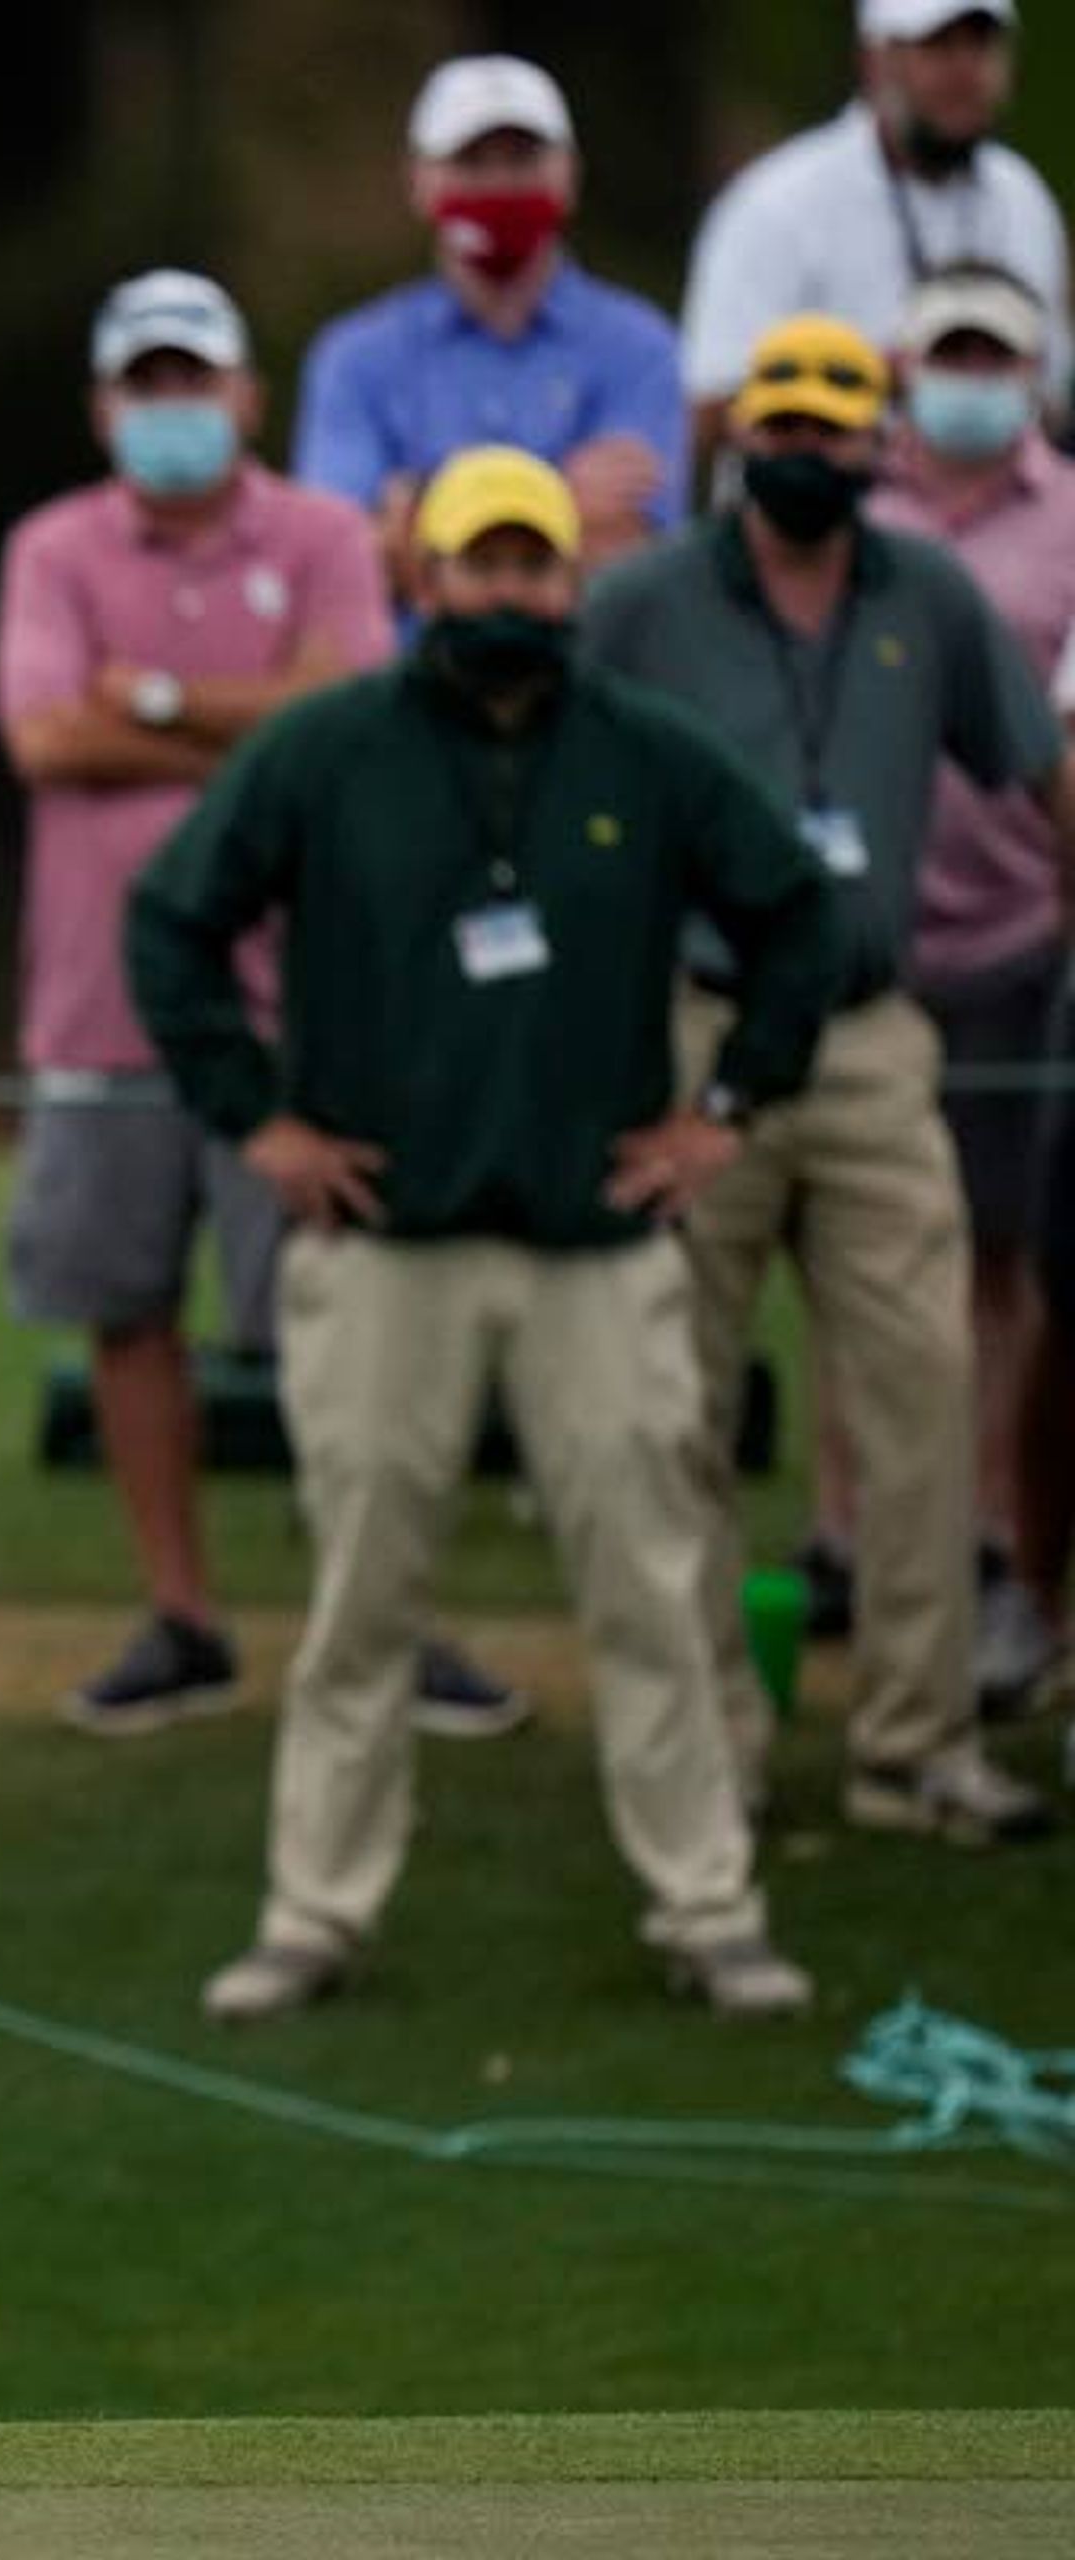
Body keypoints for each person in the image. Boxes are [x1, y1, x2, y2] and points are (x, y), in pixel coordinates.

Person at [126, 447, 839, 2023]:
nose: (509, 594)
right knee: (362, 1602)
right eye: (480, 566)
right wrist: (260, 1121)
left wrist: (730, 1104)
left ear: (571, 582)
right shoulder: (326, 749)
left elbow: (802, 914)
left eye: (535, 568)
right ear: (424, 578)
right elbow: (172, 918)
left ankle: (708, 1908)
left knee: (655, 1594)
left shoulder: (650, 753)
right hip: (386, 1247)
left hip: (603, 1252)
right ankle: (315, 1913)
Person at [0, 273, 530, 1737]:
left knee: (345, 1323)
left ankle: (386, 1614)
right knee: (125, 1313)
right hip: (103, 1006)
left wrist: (154, 704)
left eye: (196, 380)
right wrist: (253, 714)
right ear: (108, 405)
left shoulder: (322, 537)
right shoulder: (51, 547)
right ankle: (183, 1618)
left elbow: (352, 728)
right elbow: (45, 735)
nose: (172, 409)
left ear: (247, 395)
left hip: (302, 1005)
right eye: (143, 384)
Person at [577, 315, 1060, 1845]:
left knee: (923, 1390)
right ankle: (707, 1740)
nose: (801, 447)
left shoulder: (931, 593)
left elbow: (1047, 777)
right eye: (776, 423)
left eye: (831, 424)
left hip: (867, 1033)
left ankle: (915, 1747)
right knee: (683, 1407)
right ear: (742, 440)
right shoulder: (647, 600)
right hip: (693, 1040)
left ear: (881, 442)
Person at [867, 262, 1075, 1718]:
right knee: (869, 1269)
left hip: (1025, 940)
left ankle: (1012, 1556)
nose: (971, 380)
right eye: (949, 354)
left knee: (1018, 1269)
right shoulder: (847, 514)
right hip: (868, 952)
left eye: (995, 357)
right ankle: (867, 1548)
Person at [292, 56, 685, 591]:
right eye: (471, 160)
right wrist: (563, 502)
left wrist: (420, 513)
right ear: (418, 180)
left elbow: (633, 556)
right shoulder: (355, 356)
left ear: (568, 172)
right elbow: (342, 560)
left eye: (522, 158)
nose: (500, 182)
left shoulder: (643, 346)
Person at [681, 2, 1071, 474]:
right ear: (874, 60)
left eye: (981, 45)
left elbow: (1050, 396)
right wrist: (859, 385)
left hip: (997, 522)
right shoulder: (777, 204)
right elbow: (709, 404)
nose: (965, 70)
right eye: (939, 47)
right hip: (816, 520)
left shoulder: (1023, 199)